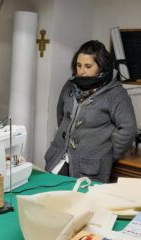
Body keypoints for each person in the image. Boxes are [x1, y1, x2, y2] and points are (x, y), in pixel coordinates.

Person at [45, 40, 137, 182]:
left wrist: (107, 154)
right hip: (58, 160)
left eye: (88, 66)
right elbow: (61, 116)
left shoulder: (116, 94)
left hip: (89, 168)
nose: (81, 71)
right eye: (78, 65)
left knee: (81, 203)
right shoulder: (70, 85)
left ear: (101, 67)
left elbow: (128, 130)